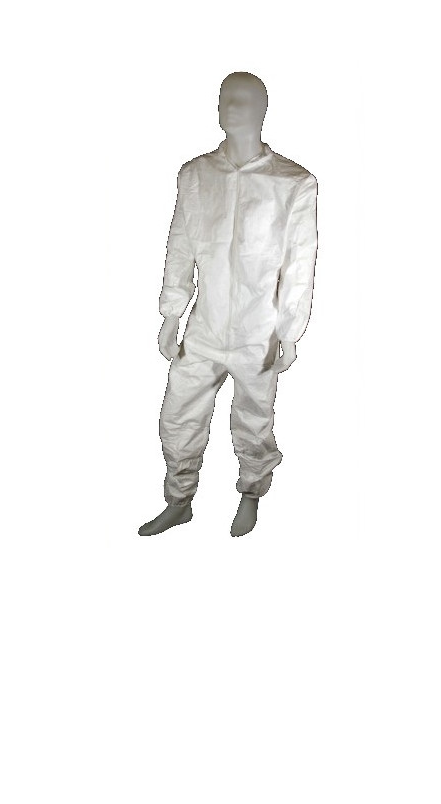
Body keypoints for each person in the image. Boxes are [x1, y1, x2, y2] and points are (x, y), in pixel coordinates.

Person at [138, 72, 318, 537]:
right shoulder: (196, 176)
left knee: (254, 421)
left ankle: (250, 494)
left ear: (263, 109)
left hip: (259, 332)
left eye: (243, 99)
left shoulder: (292, 183)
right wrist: (171, 314)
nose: (232, 107)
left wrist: (290, 332)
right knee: (178, 417)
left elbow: (299, 264)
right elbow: (180, 246)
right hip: (205, 327)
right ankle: (179, 500)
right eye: (225, 99)